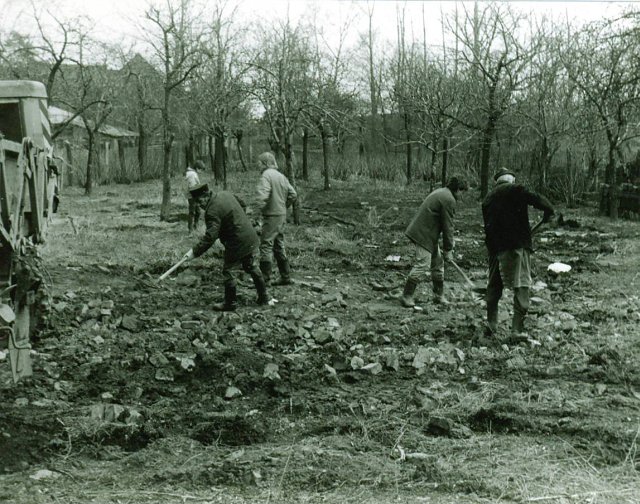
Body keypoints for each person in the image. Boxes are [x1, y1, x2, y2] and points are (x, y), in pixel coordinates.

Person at [482, 167, 554, 339]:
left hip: (495, 249)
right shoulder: (516, 190)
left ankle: (491, 324)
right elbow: (538, 200)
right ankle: (517, 330)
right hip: (516, 247)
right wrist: (549, 210)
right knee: (521, 285)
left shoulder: (487, 199)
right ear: (511, 180)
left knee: (494, 286)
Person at [181, 183, 269, 311]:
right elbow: (242, 204)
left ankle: (230, 303)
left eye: (200, 201)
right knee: (251, 265)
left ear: (206, 195)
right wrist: (235, 221)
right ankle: (264, 297)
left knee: (228, 270)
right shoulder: (225, 194)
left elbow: (210, 237)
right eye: (197, 202)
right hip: (250, 236)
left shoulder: (211, 211)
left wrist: (194, 252)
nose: (200, 205)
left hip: (236, 242)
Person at [401, 177, 468, 308]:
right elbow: (448, 227)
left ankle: (438, 295)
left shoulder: (443, 192)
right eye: (463, 192)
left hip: (428, 232)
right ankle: (406, 296)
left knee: (437, 263)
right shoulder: (448, 199)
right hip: (423, 233)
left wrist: (446, 249)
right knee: (423, 264)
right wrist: (448, 250)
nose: (462, 195)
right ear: (458, 189)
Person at [255, 152, 297, 286]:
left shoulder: (266, 175)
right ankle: (285, 276)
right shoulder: (281, 176)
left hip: (271, 216)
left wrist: (254, 215)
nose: (258, 165)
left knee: (266, 245)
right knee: (279, 245)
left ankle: (264, 280)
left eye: (259, 163)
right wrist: (283, 206)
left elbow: (262, 197)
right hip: (281, 215)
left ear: (265, 163)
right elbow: (293, 194)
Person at [185, 160, 203, 232]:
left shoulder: (190, 173)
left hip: (192, 195)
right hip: (193, 195)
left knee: (197, 211)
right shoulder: (192, 174)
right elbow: (193, 187)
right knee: (193, 212)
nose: (201, 172)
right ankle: (191, 229)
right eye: (201, 169)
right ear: (197, 168)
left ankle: (194, 226)